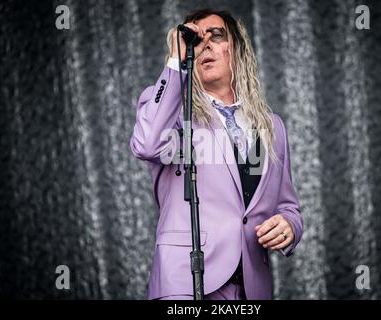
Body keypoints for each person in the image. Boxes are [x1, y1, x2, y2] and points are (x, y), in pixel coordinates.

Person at [130, 8, 303, 300]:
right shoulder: (173, 112)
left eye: (216, 36)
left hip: (251, 288)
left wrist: (289, 227)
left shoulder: (271, 125)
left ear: (237, 49)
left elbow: (287, 206)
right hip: (185, 284)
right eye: (197, 39)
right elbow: (146, 144)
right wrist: (176, 61)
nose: (205, 45)